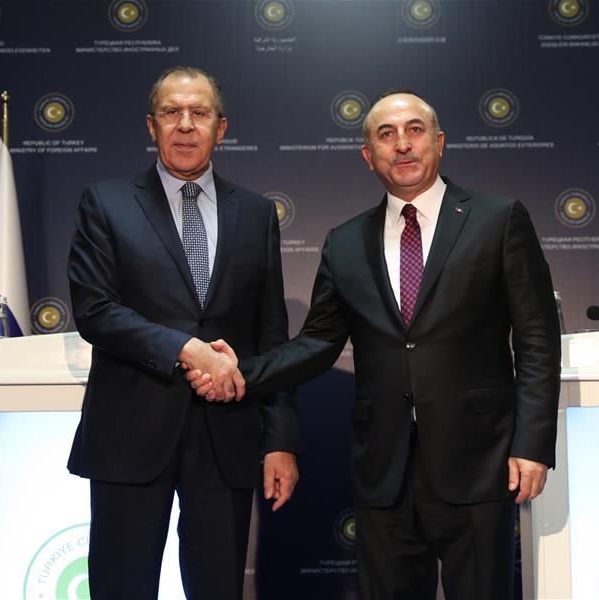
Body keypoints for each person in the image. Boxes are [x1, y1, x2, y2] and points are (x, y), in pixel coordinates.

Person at [189, 91, 561, 599]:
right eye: (386, 135)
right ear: (369, 156)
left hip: (480, 462)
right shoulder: (345, 242)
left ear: (440, 143)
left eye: (414, 130)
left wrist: (533, 444)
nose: (402, 144)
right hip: (383, 472)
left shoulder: (498, 220)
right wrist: (243, 370)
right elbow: (319, 342)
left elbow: (538, 337)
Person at [66, 65, 299, 600]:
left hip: (227, 437)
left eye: (199, 113)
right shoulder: (106, 203)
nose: (186, 125)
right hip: (131, 431)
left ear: (222, 126)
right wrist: (186, 349)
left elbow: (271, 337)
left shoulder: (258, 214)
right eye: (172, 112)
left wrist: (282, 441)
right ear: (152, 126)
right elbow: (95, 310)